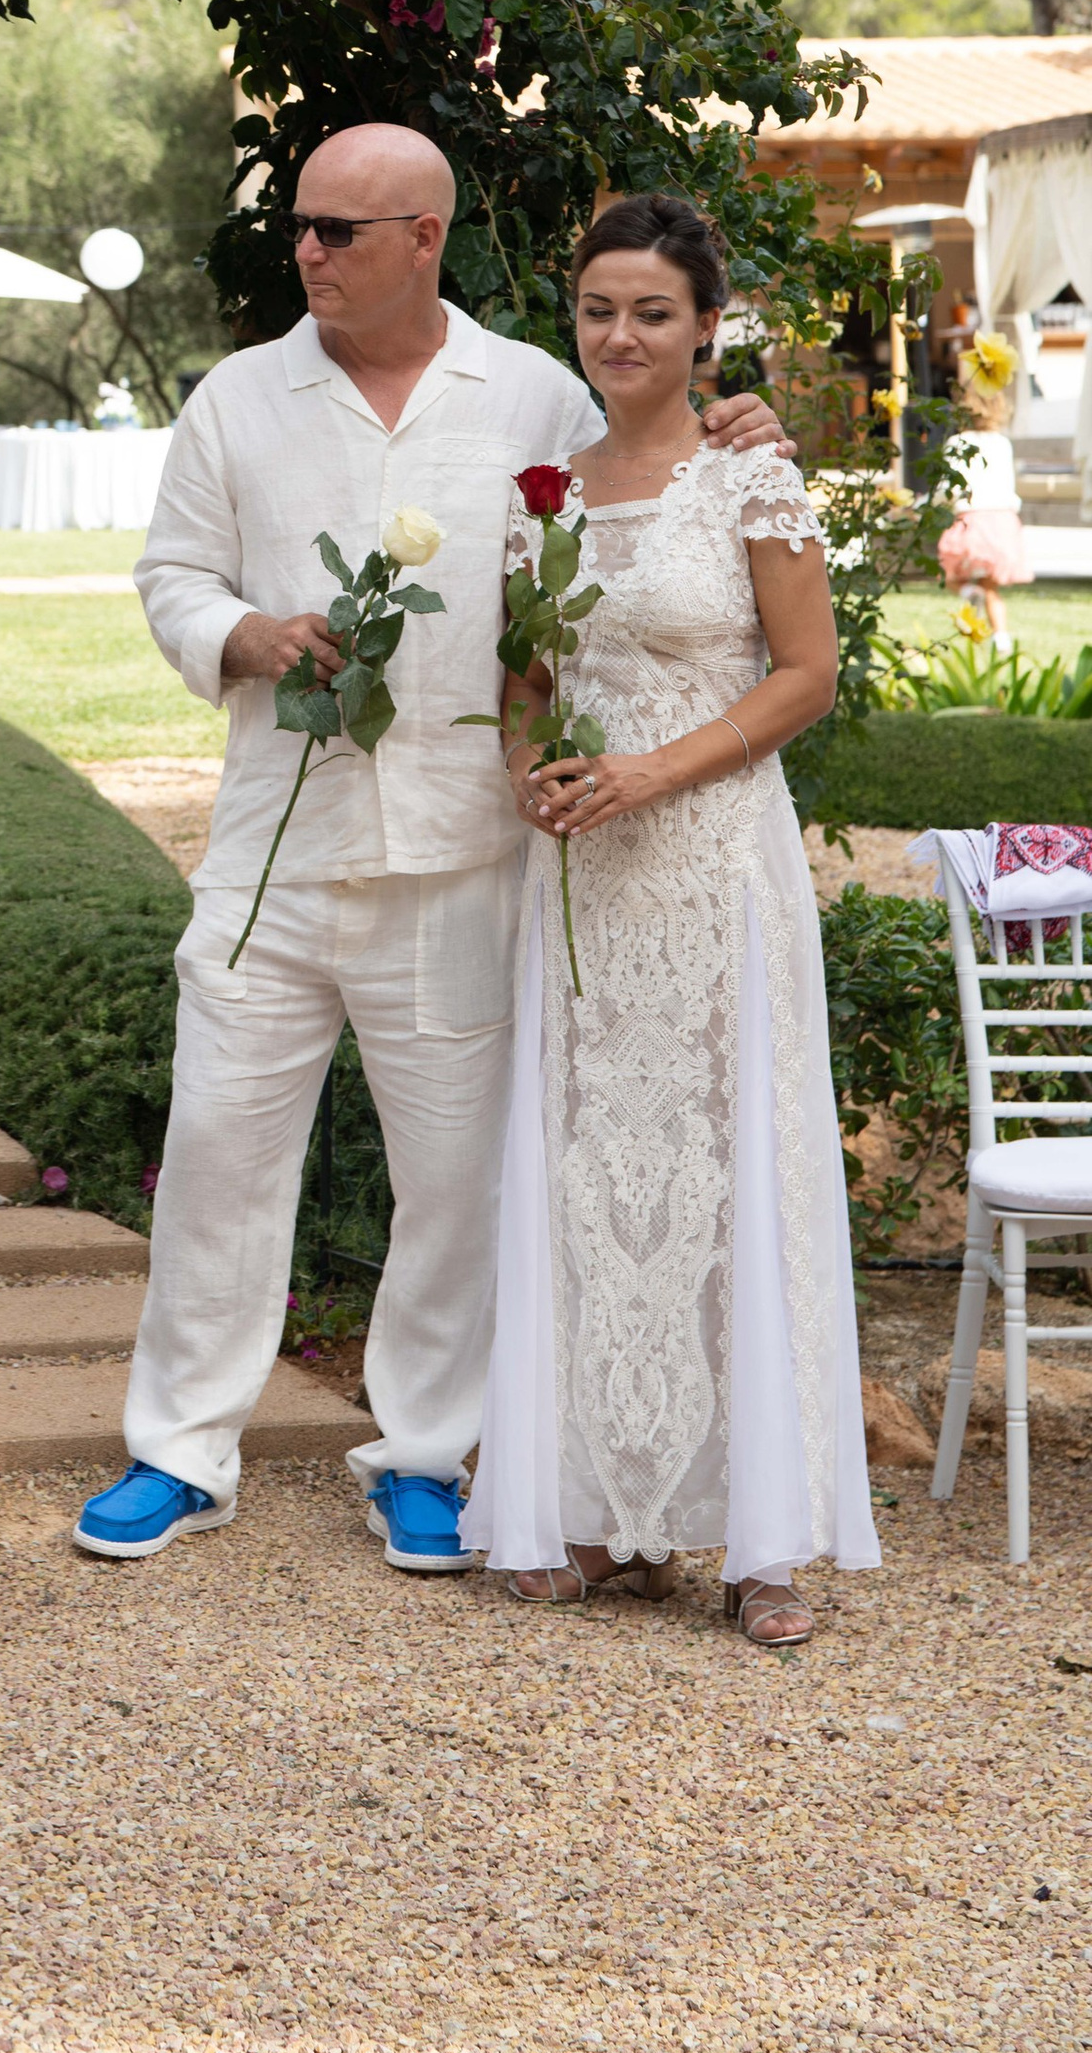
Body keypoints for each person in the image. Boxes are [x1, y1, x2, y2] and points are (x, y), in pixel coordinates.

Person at [75, 122, 793, 1576]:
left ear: (424, 238)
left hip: (466, 853)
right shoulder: (236, 399)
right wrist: (245, 635)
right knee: (216, 1153)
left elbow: (643, 478)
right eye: (300, 226)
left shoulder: (531, 394)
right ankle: (179, 1451)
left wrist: (741, 425)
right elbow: (169, 572)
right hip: (273, 849)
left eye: (340, 230)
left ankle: (420, 1453)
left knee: (453, 1183)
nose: (309, 252)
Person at [463, 193, 877, 1647]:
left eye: (652, 311)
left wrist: (647, 771)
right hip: (582, 881)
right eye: (597, 309)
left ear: (706, 326)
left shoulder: (754, 480)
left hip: (710, 864)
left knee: (731, 1166)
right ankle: (600, 1510)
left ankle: (760, 1539)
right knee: (590, 1176)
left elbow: (805, 677)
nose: (621, 335)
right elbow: (520, 688)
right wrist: (532, 780)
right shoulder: (545, 497)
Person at [936, 331, 1029, 636]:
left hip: (971, 521)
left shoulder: (957, 442)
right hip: (1003, 521)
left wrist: (934, 505)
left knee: (952, 576)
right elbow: (1009, 486)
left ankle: (966, 597)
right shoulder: (1002, 443)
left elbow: (948, 488)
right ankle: (1001, 638)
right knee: (992, 588)